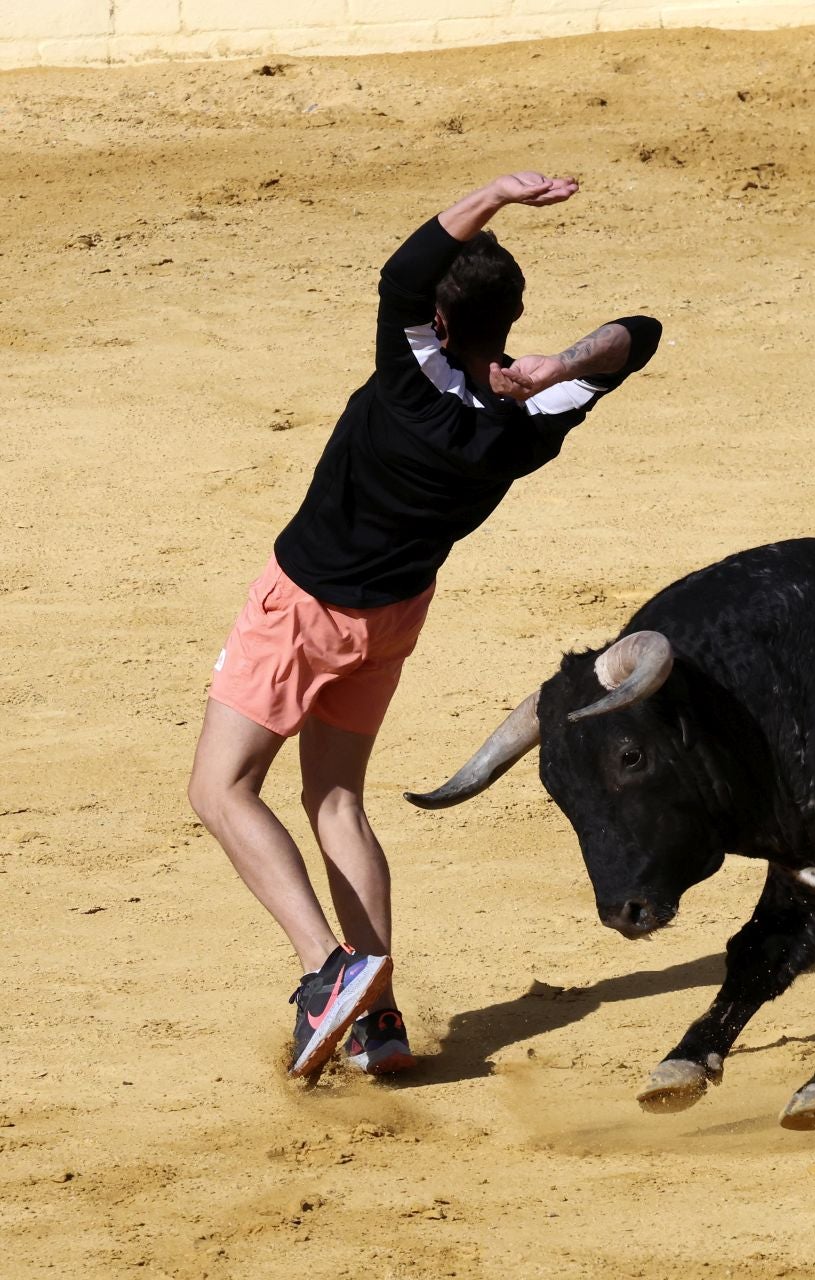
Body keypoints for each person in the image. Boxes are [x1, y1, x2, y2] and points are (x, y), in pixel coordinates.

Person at [187, 171, 661, 1081]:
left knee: (220, 790)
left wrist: (496, 192)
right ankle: (379, 1021)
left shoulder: (412, 383)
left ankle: (328, 971)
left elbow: (404, 270)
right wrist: (559, 367)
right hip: (392, 622)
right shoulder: (531, 418)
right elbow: (639, 336)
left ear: (438, 325)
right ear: (508, 320)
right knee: (336, 800)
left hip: (303, 610)